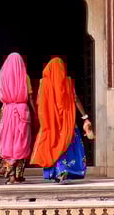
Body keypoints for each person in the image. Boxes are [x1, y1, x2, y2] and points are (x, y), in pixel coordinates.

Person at [31, 56, 92, 184]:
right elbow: (75, 99)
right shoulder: (68, 82)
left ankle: (55, 172)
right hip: (67, 121)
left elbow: (39, 103)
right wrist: (85, 116)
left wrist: (44, 119)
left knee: (53, 143)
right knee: (67, 144)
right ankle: (63, 171)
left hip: (51, 121)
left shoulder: (44, 83)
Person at [0, 52, 36, 184]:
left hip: (6, 112)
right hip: (22, 112)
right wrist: (35, 112)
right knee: (20, 143)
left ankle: (11, 175)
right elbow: (30, 97)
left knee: (7, 142)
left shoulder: (2, 77)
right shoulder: (25, 77)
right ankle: (18, 175)